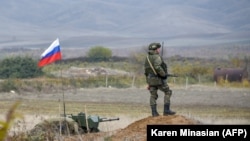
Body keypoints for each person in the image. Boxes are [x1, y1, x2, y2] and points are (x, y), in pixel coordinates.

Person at [144, 42, 176, 117]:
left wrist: (148, 83)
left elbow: (146, 71)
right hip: (158, 79)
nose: (159, 50)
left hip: (150, 80)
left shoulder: (147, 58)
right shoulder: (157, 57)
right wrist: (163, 75)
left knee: (153, 95)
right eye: (158, 49)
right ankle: (166, 110)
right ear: (155, 49)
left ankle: (154, 113)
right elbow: (157, 67)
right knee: (168, 92)